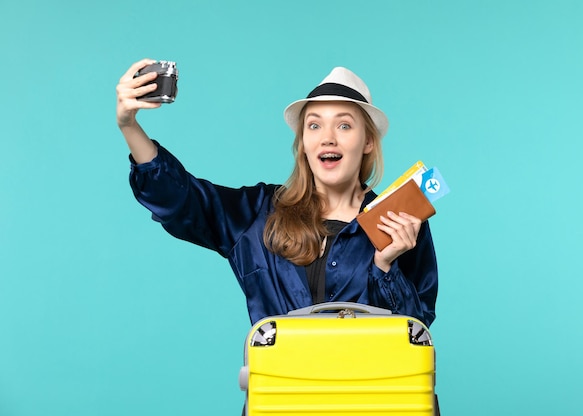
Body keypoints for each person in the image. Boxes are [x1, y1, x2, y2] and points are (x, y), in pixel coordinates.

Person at [115, 59, 438, 327]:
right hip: (280, 396)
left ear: (367, 142)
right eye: (314, 125)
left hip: (370, 399)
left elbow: (416, 334)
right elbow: (180, 198)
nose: (327, 138)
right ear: (303, 143)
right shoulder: (257, 214)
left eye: (344, 125)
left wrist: (385, 266)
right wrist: (129, 125)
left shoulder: (400, 223)